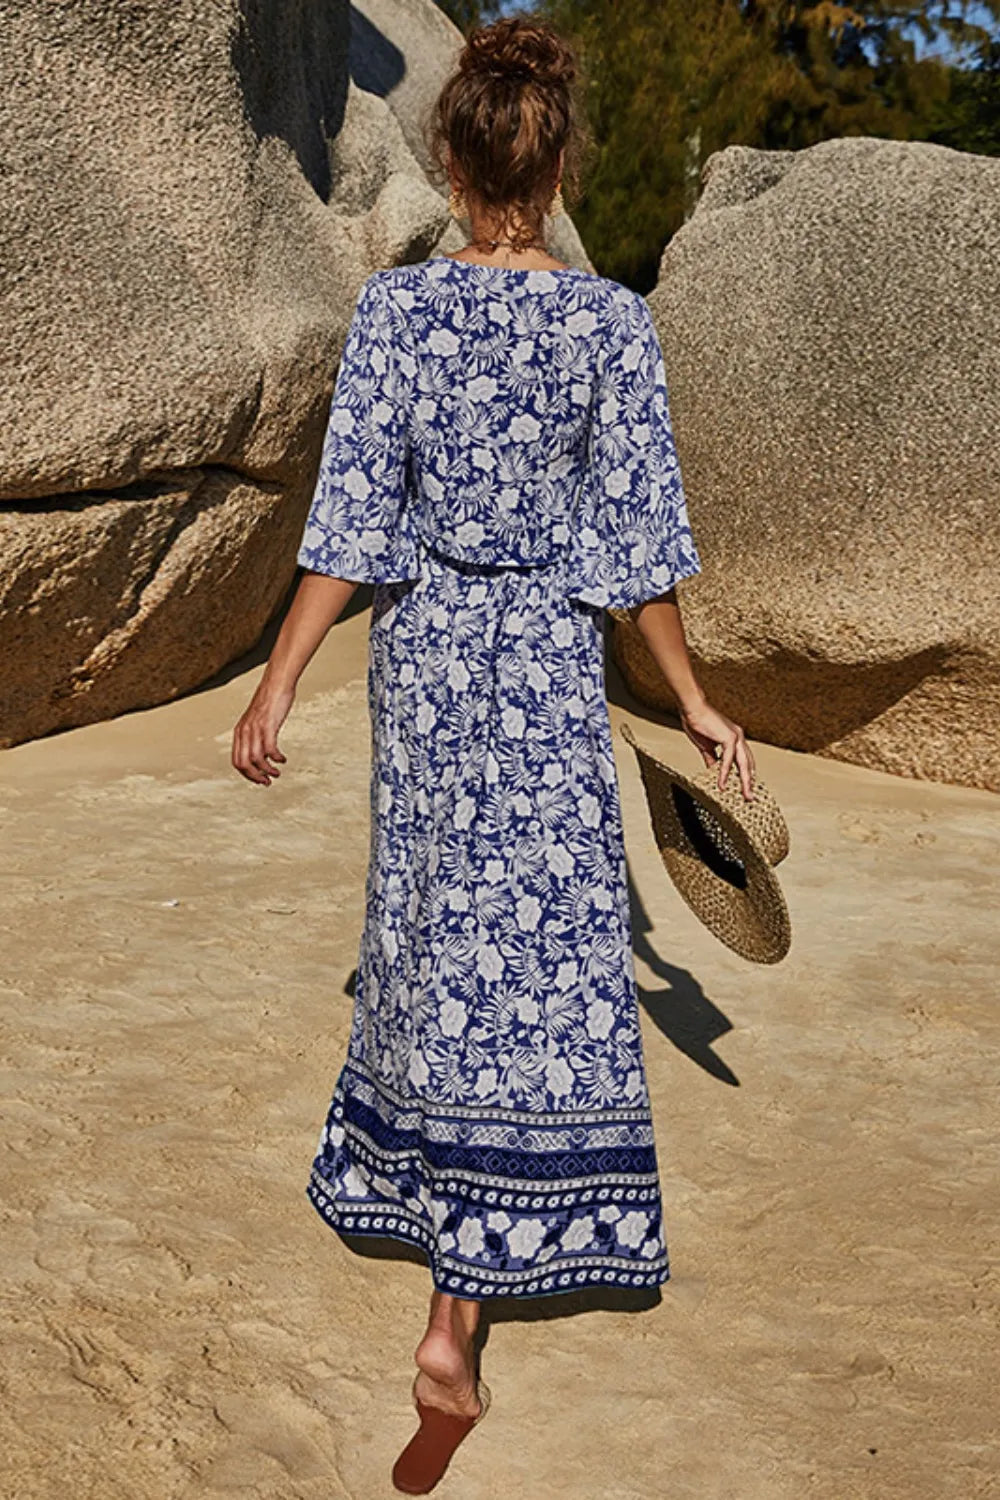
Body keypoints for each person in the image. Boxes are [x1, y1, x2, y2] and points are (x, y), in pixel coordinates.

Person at [232, 15, 754, 1494]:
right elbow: (635, 557)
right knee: (544, 943)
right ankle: (469, 1305)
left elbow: (346, 534)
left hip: (434, 658)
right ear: (557, 161)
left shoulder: (397, 319)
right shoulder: (609, 327)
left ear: (452, 160)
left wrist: (273, 689)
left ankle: (441, 1271)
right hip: (537, 667)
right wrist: (695, 702)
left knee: (432, 924)